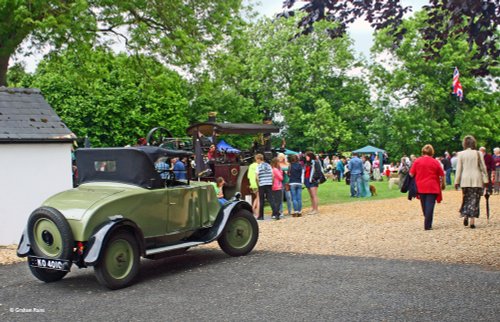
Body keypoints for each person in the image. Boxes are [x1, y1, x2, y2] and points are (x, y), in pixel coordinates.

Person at [455, 136, 489, 229]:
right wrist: (486, 180)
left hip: (465, 179)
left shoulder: (461, 154)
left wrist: (456, 181)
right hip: (476, 179)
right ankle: (472, 221)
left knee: (466, 198)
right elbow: (483, 168)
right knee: (475, 200)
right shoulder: (478, 153)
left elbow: (459, 169)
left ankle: (466, 214)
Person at [409, 144, 445, 230]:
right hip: (432, 186)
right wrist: (443, 184)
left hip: (421, 186)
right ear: (432, 152)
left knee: (424, 205)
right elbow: (441, 174)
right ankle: (428, 224)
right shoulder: (435, 162)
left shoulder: (417, 161)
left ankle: (427, 220)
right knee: (430, 205)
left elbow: (411, 174)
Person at [255, 154, 273, 220]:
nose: (256, 161)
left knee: (261, 200)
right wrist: (271, 182)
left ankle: (261, 216)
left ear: (259, 159)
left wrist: (258, 184)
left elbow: (257, 177)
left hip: (262, 184)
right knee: (271, 199)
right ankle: (276, 213)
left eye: (256, 159)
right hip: (269, 183)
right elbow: (272, 175)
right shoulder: (268, 165)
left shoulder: (258, 166)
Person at [277, 153, 292, 217]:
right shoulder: (277, 165)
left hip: (287, 182)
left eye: (281, 157)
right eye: (279, 157)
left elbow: (291, 173)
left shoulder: (288, 164)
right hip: (280, 182)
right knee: (281, 197)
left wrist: (288, 173)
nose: (280, 159)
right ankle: (281, 211)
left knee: (288, 197)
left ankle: (290, 211)